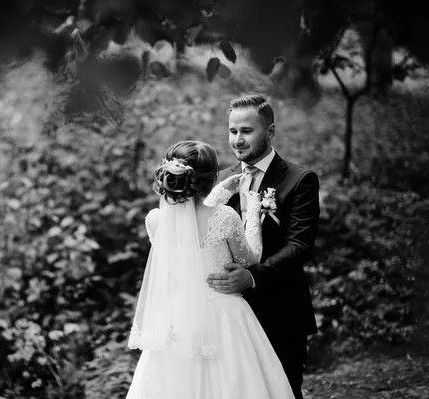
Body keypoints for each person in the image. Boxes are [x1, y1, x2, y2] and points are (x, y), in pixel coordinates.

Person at [126, 140, 295, 399]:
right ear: (212, 177)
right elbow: (251, 259)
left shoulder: (156, 220)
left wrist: (216, 194)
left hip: (177, 320)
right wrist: (252, 211)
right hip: (224, 316)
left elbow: (189, 233)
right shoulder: (226, 217)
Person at [207, 94, 320, 399]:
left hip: (281, 309)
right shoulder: (222, 181)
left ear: (270, 132)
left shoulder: (299, 180)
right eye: (233, 132)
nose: (238, 140)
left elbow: (299, 245)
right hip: (230, 314)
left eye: (247, 131)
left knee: (282, 390)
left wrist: (253, 276)